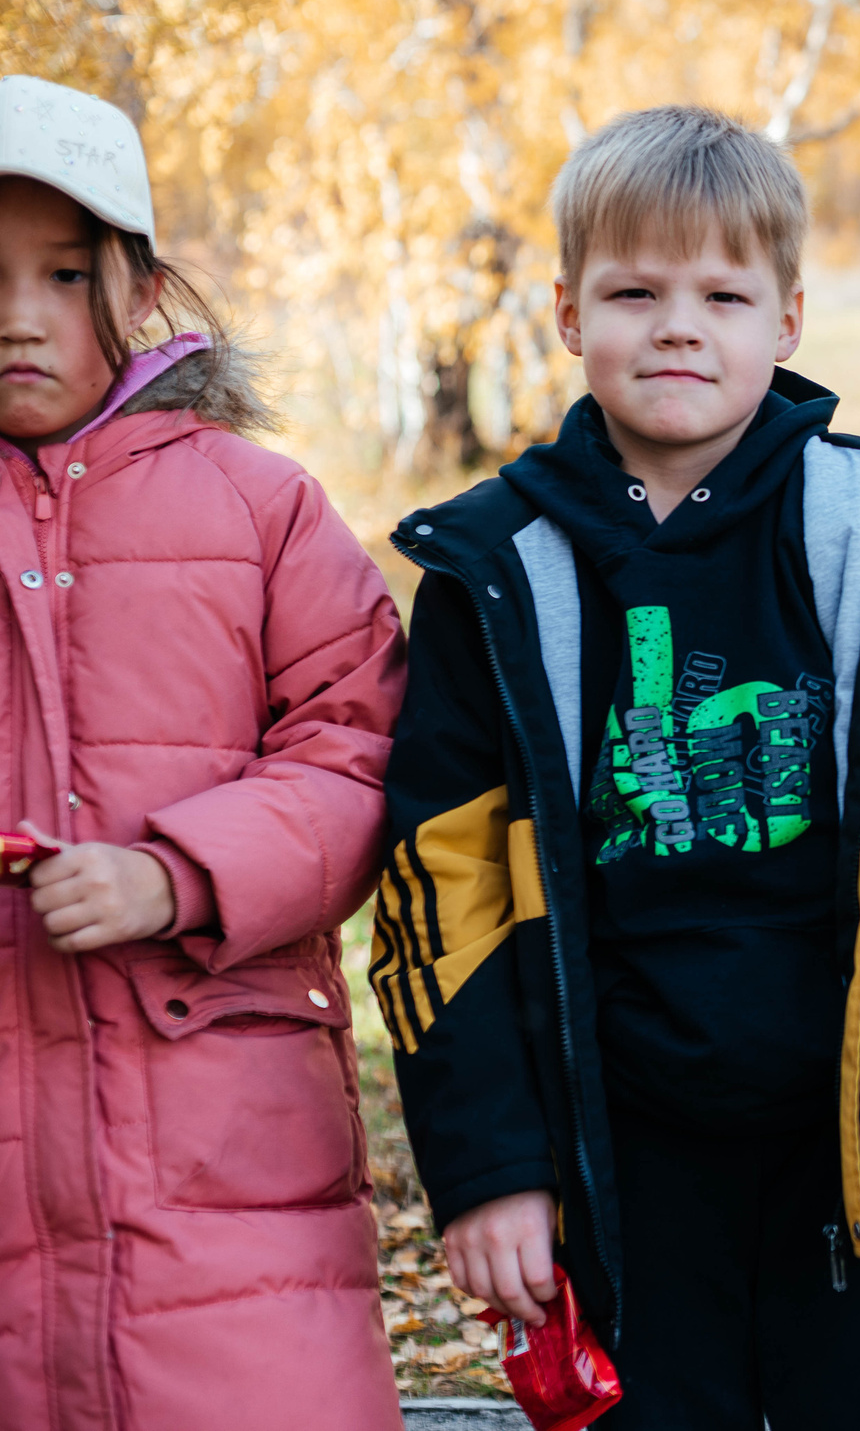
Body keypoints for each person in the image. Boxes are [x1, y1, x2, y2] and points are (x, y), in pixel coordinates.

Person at [370, 105, 860, 1431]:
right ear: (570, 312)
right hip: (618, 1155)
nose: (678, 325)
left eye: (722, 293)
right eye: (635, 291)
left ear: (789, 317)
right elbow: (438, 892)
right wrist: (490, 1167)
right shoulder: (495, 569)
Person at [0, 76, 408, 1430]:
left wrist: (177, 875)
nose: (17, 315)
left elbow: (359, 745)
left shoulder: (259, 503)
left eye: (63, 273)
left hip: (230, 1175)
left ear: (136, 280)